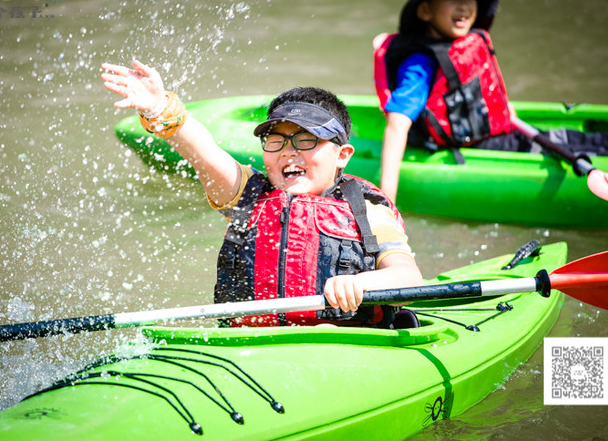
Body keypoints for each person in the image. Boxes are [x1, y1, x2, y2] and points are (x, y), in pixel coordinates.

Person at [101, 60, 424, 328]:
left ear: (343, 155)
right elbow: (200, 148)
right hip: (252, 348)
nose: (288, 152)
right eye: (276, 140)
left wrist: (362, 283)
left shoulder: (365, 208)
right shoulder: (245, 193)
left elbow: (408, 279)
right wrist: (159, 108)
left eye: (306, 140)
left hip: (341, 347)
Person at [375, 0, 608, 202]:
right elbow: (397, 126)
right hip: (482, 146)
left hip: (505, 131)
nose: (464, 5)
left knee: (585, 138)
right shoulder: (421, 64)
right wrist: (388, 202)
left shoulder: (468, 43)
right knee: (577, 148)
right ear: (424, 11)